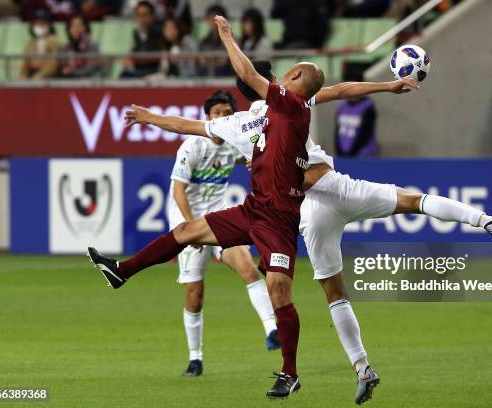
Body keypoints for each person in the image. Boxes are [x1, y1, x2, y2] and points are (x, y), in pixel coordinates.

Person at [121, 60, 492, 405]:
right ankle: (486, 222)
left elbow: (188, 124)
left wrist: (150, 118)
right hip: (328, 189)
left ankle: (363, 369)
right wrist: (387, 85)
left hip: (305, 212)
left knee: (334, 291)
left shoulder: (245, 121)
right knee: (410, 200)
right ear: (278, 81)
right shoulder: (286, 103)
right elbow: (340, 90)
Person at [87, 15, 325, 400]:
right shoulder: (254, 120)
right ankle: (121, 271)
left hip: (280, 220)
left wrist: (227, 37)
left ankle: (289, 372)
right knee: (185, 232)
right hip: (252, 210)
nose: (284, 75)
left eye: (291, 72)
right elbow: (190, 127)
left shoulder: (294, 106)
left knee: (278, 290)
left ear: (297, 77)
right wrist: (149, 117)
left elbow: (247, 73)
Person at [168, 90, 280, 377]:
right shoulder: (191, 146)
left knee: (247, 267)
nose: (222, 117)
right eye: (216, 113)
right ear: (207, 117)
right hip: (187, 217)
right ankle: (195, 357)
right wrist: (192, 228)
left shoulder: (235, 141)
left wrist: (256, 163)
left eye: (226, 113)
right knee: (195, 292)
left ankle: (272, 329)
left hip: (218, 212)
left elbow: (259, 155)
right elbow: (178, 192)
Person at [334, 68, 378, 156]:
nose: (350, 91)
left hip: (363, 157)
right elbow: (337, 133)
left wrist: (351, 154)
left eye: (353, 87)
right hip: (343, 156)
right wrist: (340, 153)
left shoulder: (368, 107)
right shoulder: (342, 107)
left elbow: (365, 135)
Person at [120, 0, 162, 78]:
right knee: (123, 75)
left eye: (144, 15)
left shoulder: (160, 33)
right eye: (138, 15)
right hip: (137, 71)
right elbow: (133, 51)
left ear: (152, 16)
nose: (141, 18)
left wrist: (135, 60)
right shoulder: (135, 33)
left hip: (153, 72)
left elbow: (154, 56)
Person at [20, 9, 61, 80]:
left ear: (49, 25)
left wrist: (40, 73)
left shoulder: (54, 41)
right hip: (32, 72)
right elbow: (26, 62)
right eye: (37, 23)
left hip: (48, 75)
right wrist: (22, 76)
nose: (40, 26)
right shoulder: (31, 42)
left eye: (43, 23)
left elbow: (54, 62)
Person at [197, 4, 231, 76]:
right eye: (210, 18)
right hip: (207, 77)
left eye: (215, 20)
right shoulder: (204, 42)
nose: (213, 22)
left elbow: (225, 62)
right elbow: (202, 62)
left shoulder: (231, 41)